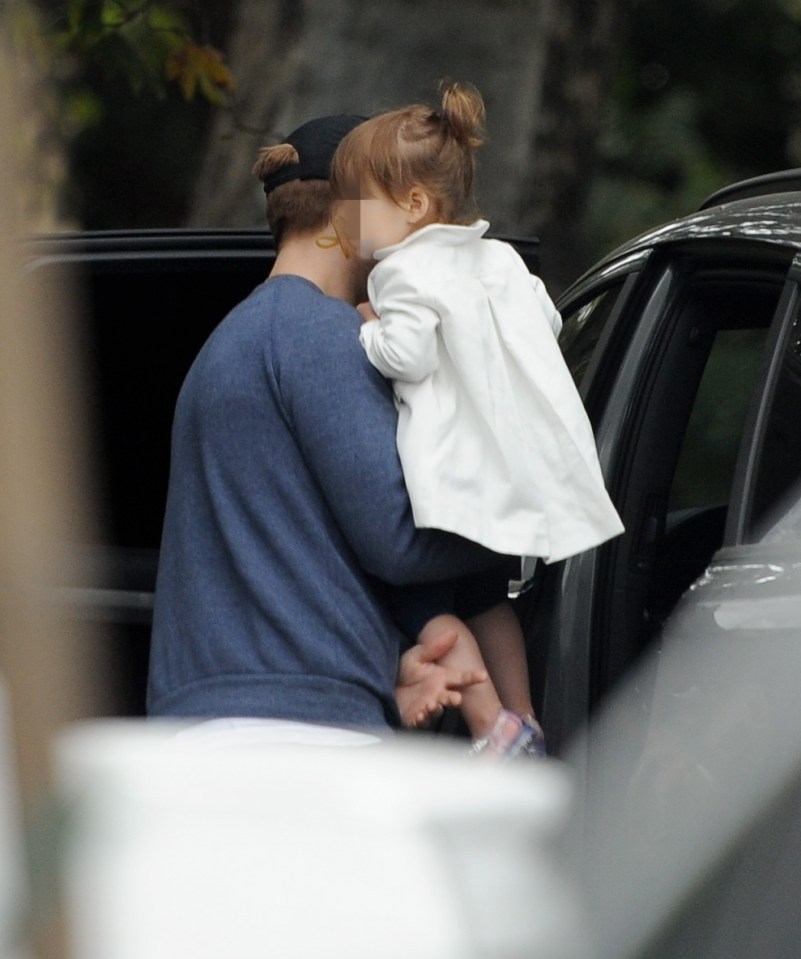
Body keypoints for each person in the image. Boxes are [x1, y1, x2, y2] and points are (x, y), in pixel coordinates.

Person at [147, 113, 498, 745]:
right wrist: (525, 527)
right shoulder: (318, 333)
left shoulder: (231, 342)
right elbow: (397, 537)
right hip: (293, 738)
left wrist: (388, 668)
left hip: (210, 726)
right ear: (352, 214)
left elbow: (298, 556)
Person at [329, 82, 624, 758]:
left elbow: (408, 353)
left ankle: (486, 720)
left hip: (455, 476)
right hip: (511, 466)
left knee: (441, 600)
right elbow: (546, 322)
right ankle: (522, 716)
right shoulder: (499, 257)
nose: (348, 223)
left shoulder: (399, 272)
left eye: (358, 207)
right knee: (492, 596)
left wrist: (364, 326)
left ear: (411, 204)